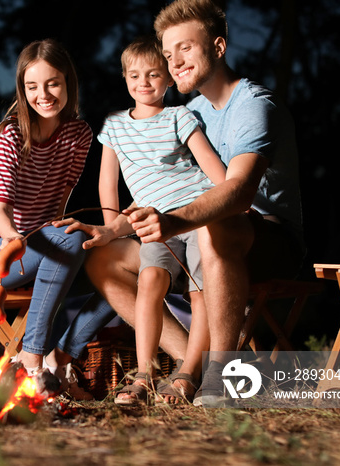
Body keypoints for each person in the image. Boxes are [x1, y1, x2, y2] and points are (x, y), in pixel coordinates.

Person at [55, 0, 304, 406]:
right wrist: (113, 227)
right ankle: (184, 366)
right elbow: (164, 183)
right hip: (196, 231)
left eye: (185, 48)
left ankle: (220, 377)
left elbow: (238, 193)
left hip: (268, 237)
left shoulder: (254, 106)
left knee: (213, 226)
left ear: (219, 48)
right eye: (168, 54)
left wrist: (172, 222)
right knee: (104, 259)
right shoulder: (189, 111)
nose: (174, 62)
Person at [0, 39, 104, 400]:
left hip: (40, 248)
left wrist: (73, 241)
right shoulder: (9, 135)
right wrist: (12, 238)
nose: (43, 95)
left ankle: (58, 358)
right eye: (32, 86)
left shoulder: (78, 135)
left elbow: (61, 202)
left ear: (68, 83)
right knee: (69, 241)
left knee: (126, 265)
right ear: (22, 88)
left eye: (53, 84)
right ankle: (30, 357)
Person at [96, 36, 226, 405]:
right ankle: (144, 374)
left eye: (154, 74)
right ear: (124, 79)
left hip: (197, 216)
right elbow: (108, 183)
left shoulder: (178, 116)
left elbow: (210, 165)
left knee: (200, 292)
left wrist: (229, 199)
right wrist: (109, 227)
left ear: (169, 79)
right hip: (154, 227)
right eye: (135, 75)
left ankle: (187, 375)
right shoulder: (115, 127)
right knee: (150, 280)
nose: (144, 82)